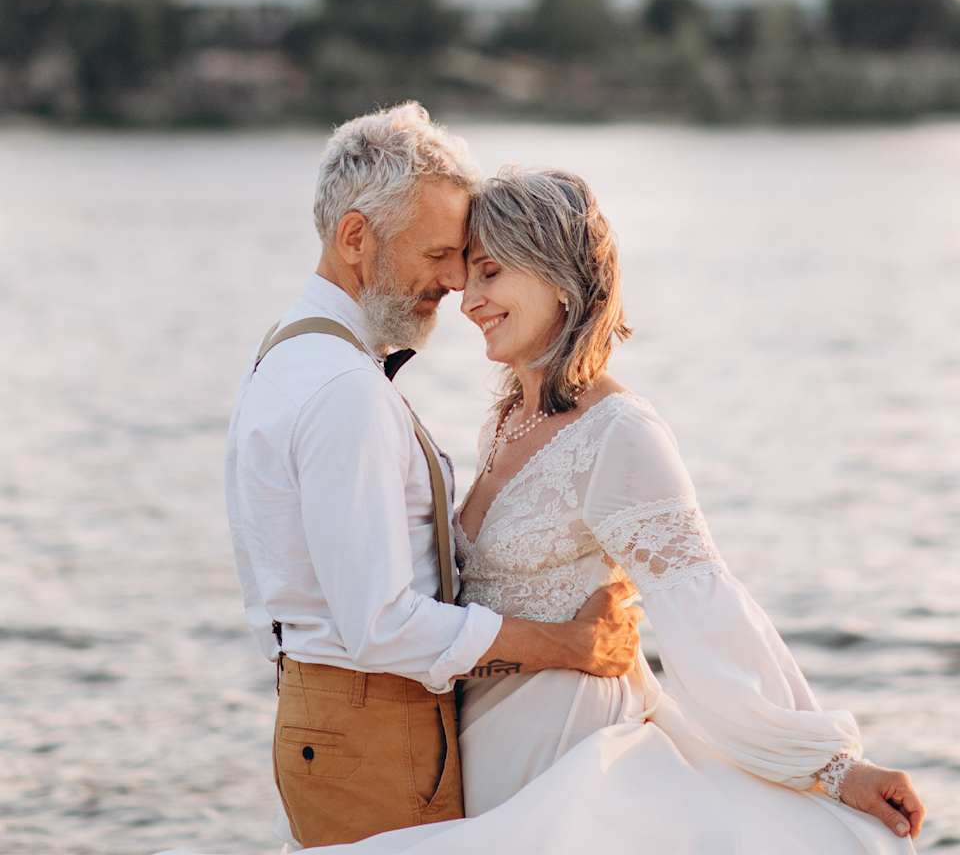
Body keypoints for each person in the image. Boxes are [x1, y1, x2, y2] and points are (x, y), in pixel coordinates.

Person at [286, 168, 927, 854]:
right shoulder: (507, 418)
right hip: (479, 739)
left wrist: (831, 766)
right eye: (467, 275)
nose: (467, 299)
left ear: (557, 275)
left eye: (491, 273)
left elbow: (703, 608)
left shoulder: (621, 431)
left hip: (566, 744)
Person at [221, 106, 641, 849]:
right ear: (356, 238)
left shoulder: (286, 354)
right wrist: (569, 646)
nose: (453, 281)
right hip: (373, 721)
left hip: (334, 713)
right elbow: (382, 625)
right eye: (438, 254)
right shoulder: (343, 389)